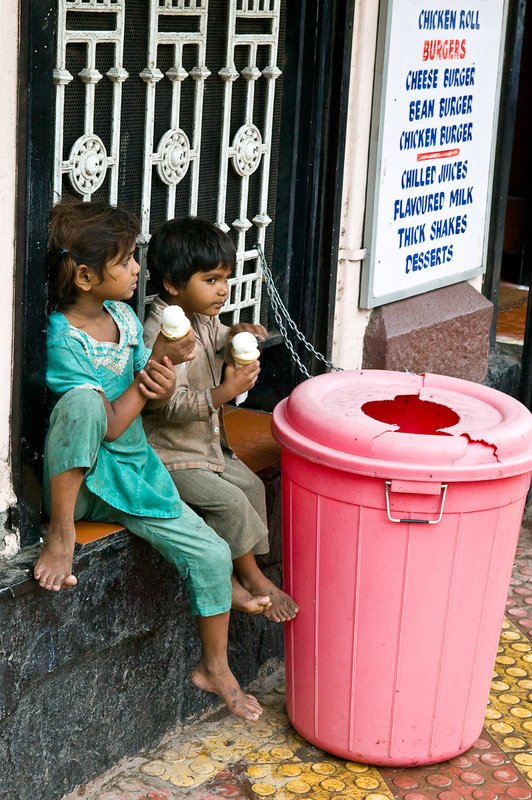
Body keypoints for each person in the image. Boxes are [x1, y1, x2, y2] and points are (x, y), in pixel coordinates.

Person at [33, 199, 262, 721]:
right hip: (82, 479)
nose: (139, 270)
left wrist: (162, 365)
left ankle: (215, 667)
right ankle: (61, 535)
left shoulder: (124, 319)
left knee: (210, 555)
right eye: (126, 262)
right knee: (83, 403)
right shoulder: (60, 337)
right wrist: (146, 380)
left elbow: (150, 398)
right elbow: (110, 422)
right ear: (87, 276)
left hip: (135, 473)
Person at [143, 216, 299, 623]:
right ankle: (250, 578)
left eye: (225, 279)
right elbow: (163, 405)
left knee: (252, 486)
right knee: (230, 502)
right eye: (210, 280)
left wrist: (237, 335)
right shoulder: (160, 330)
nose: (223, 289)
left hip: (210, 447)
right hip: (170, 456)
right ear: (174, 284)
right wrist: (224, 394)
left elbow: (218, 338)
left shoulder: (203, 319)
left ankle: (250, 571)